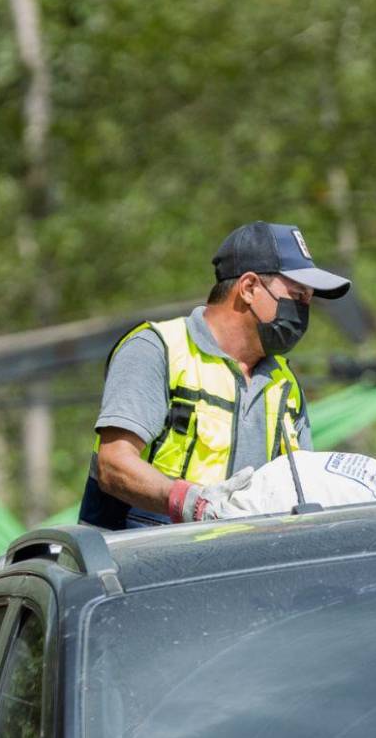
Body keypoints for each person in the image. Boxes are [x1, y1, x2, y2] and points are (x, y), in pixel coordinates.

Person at [79, 221, 351, 529]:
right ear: (248, 288)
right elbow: (114, 465)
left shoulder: (284, 384)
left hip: (230, 567)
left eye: (309, 300)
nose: (304, 311)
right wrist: (193, 503)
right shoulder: (158, 349)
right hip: (137, 565)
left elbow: (299, 488)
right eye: (297, 295)